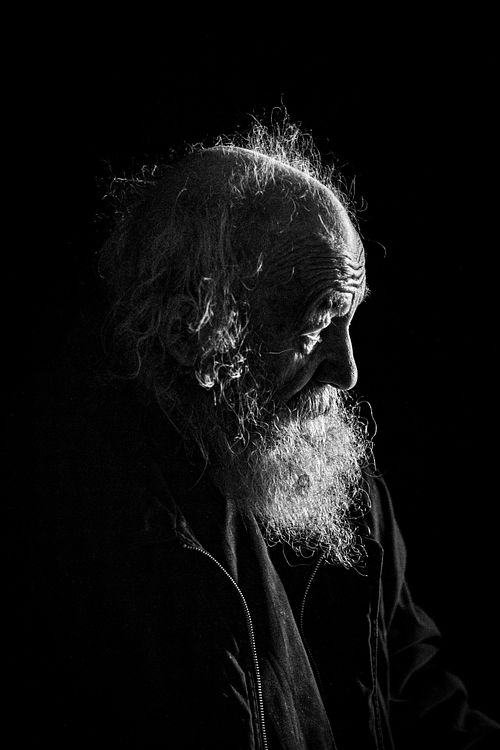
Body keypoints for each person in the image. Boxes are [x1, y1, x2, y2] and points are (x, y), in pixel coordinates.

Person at [27, 123, 499, 748]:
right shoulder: (78, 522)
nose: (348, 371)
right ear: (194, 333)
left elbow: (419, 694)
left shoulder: (342, 488)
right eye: (318, 323)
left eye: (350, 320)